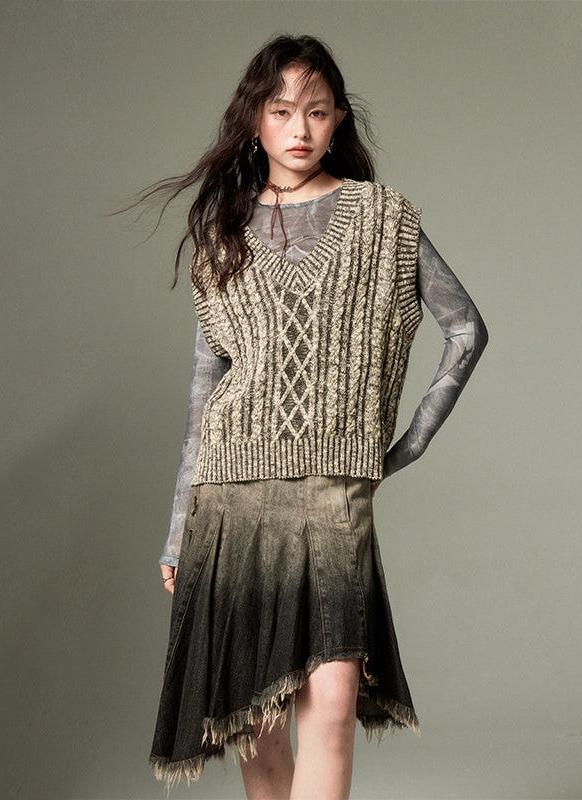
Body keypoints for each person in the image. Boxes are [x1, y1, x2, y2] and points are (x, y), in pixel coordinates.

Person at [116, 33, 488, 800]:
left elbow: (465, 329)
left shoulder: (382, 219)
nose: (299, 128)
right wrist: (178, 527)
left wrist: (407, 445)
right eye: (281, 110)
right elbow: (206, 386)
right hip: (231, 495)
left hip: (331, 494)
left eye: (317, 112)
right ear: (255, 120)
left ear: (338, 120)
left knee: (332, 711)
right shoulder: (222, 234)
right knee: (257, 723)